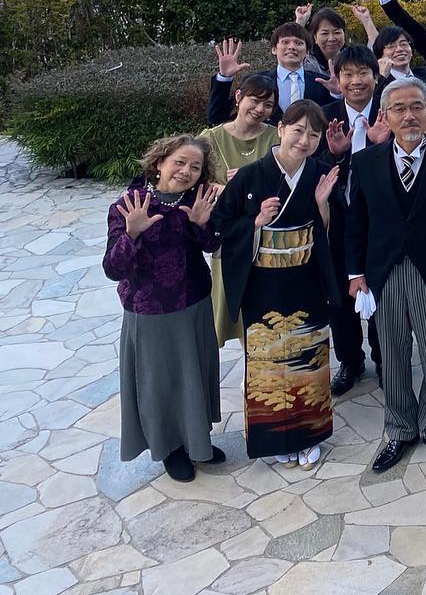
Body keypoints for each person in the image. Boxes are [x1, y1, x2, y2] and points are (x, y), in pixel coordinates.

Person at [347, 79, 426, 473]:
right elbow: (356, 222)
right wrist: (355, 273)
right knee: (392, 352)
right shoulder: (365, 162)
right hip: (383, 272)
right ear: (384, 116)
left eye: (417, 106)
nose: (409, 116)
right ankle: (400, 429)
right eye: (399, 108)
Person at [213, 101, 343, 470]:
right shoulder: (249, 176)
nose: (304, 140)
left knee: (308, 358)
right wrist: (255, 222)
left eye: (313, 135)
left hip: (306, 278)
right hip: (263, 282)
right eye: (297, 130)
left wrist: (322, 205)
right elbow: (220, 224)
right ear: (281, 129)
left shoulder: (320, 173)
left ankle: (310, 435)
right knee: (268, 362)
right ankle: (276, 438)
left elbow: (338, 228)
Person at [106, 134, 226, 483]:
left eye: (195, 167)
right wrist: (131, 234)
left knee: (194, 375)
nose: (186, 171)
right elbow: (113, 268)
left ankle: (196, 440)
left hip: (194, 304)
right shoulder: (129, 205)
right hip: (150, 312)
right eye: (179, 162)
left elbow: (213, 245)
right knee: (161, 383)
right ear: (159, 163)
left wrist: (201, 224)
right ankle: (170, 448)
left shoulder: (196, 201)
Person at [320, 44, 388, 395]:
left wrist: (378, 145)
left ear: (376, 77)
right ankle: (350, 360)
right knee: (339, 296)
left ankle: (385, 357)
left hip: (380, 223)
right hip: (338, 221)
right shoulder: (325, 115)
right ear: (338, 78)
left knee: (381, 291)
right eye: (348, 74)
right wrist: (335, 154)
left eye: (363, 73)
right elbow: (312, 165)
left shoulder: (390, 112)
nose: (356, 81)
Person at [198, 62, 279, 346]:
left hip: (268, 235)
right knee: (234, 304)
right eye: (255, 101)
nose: (260, 109)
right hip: (230, 234)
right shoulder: (210, 138)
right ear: (238, 97)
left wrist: (248, 184)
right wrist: (224, 189)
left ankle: (260, 367)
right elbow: (196, 182)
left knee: (265, 313)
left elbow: (284, 181)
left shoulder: (276, 137)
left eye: (268, 105)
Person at [208, 24, 334, 126]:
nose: (292, 47)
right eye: (285, 42)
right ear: (274, 49)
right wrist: (224, 78)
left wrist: (336, 95)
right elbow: (217, 117)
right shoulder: (255, 81)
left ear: (307, 52)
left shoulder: (323, 83)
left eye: (298, 43)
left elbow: (333, 119)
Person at [373, 24, 426, 93]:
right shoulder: (379, 84)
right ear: (381, 55)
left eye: (403, 44)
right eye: (391, 46)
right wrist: (382, 78)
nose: (399, 49)